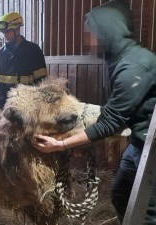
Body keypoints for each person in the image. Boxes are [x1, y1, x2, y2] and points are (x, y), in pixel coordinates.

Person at [31, 1, 156, 223]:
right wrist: (80, 140)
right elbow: (113, 113)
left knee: (147, 210)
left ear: (108, 32)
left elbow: (111, 122)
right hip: (139, 143)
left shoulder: (133, 68)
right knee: (120, 196)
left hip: (151, 147)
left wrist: (61, 145)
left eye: (91, 33)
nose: (87, 39)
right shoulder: (120, 61)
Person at [0, 12, 48, 123]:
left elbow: (41, 82)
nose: (5, 35)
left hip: (26, 112)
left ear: (17, 29)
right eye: (3, 32)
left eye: (8, 31)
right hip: (3, 111)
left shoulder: (33, 51)